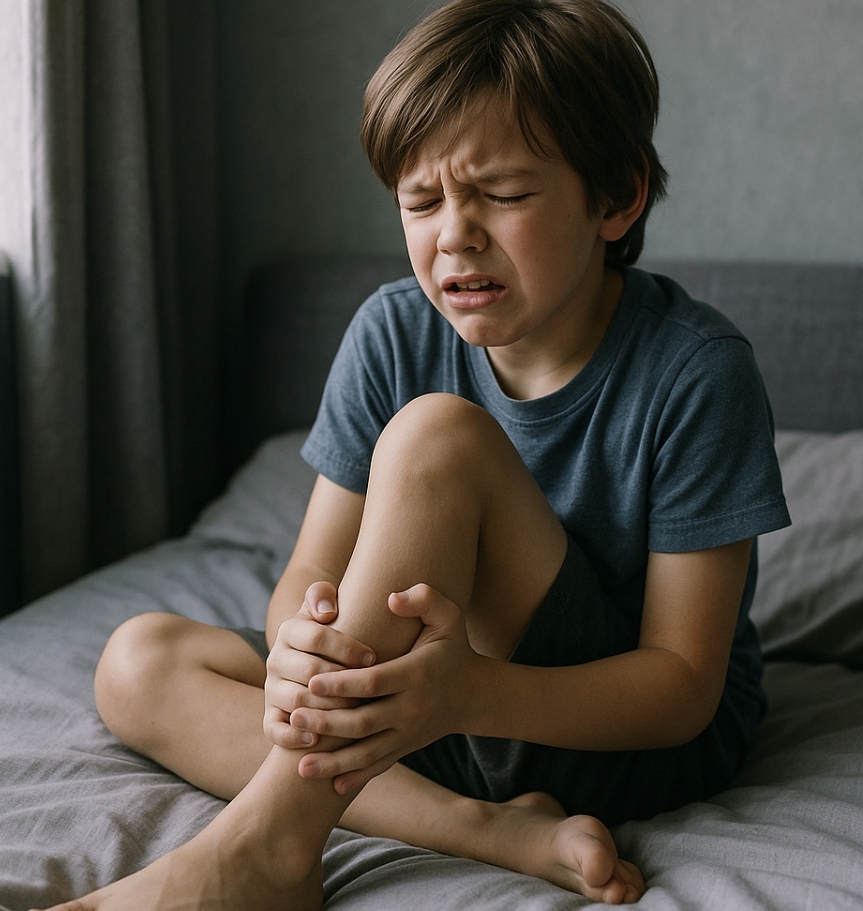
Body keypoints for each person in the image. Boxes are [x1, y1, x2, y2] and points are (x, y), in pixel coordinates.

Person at [37, 1, 790, 909]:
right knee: (137, 660)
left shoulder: (697, 372)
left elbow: (678, 689)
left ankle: (270, 845)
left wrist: (468, 695)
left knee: (437, 434)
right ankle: (489, 827)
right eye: (421, 200)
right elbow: (310, 570)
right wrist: (299, 650)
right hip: (425, 709)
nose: (454, 234)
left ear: (616, 195)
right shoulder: (392, 329)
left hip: (614, 740)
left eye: (503, 194)